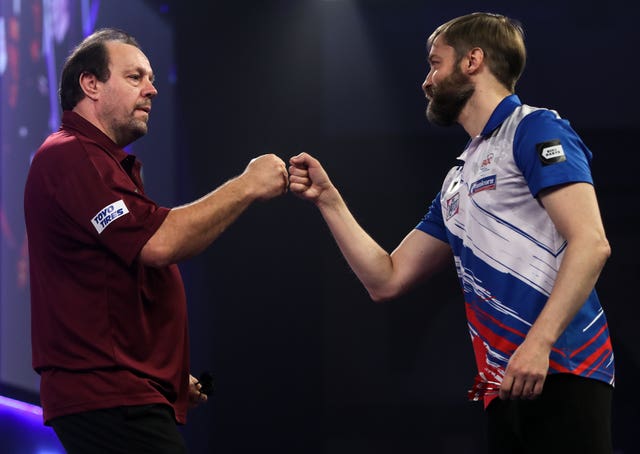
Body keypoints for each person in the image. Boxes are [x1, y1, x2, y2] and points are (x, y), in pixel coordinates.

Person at [289, 12, 614, 454]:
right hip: (503, 387)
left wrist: (539, 343)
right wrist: (329, 199)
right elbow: (386, 278)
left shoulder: (534, 127)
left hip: (565, 369)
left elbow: (592, 243)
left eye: (435, 63)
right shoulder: (458, 178)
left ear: (472, 61)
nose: (426, 80)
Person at [23, 28, 288, 453]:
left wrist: (165, 373)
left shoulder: (99, 162)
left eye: (149, 78)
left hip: (121, 390)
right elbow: (159, 244)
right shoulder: (71, 155)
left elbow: (114, 282)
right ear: (90, 84)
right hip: (108, 394)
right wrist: (247, 185)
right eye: (135, 77)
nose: (152, 89)